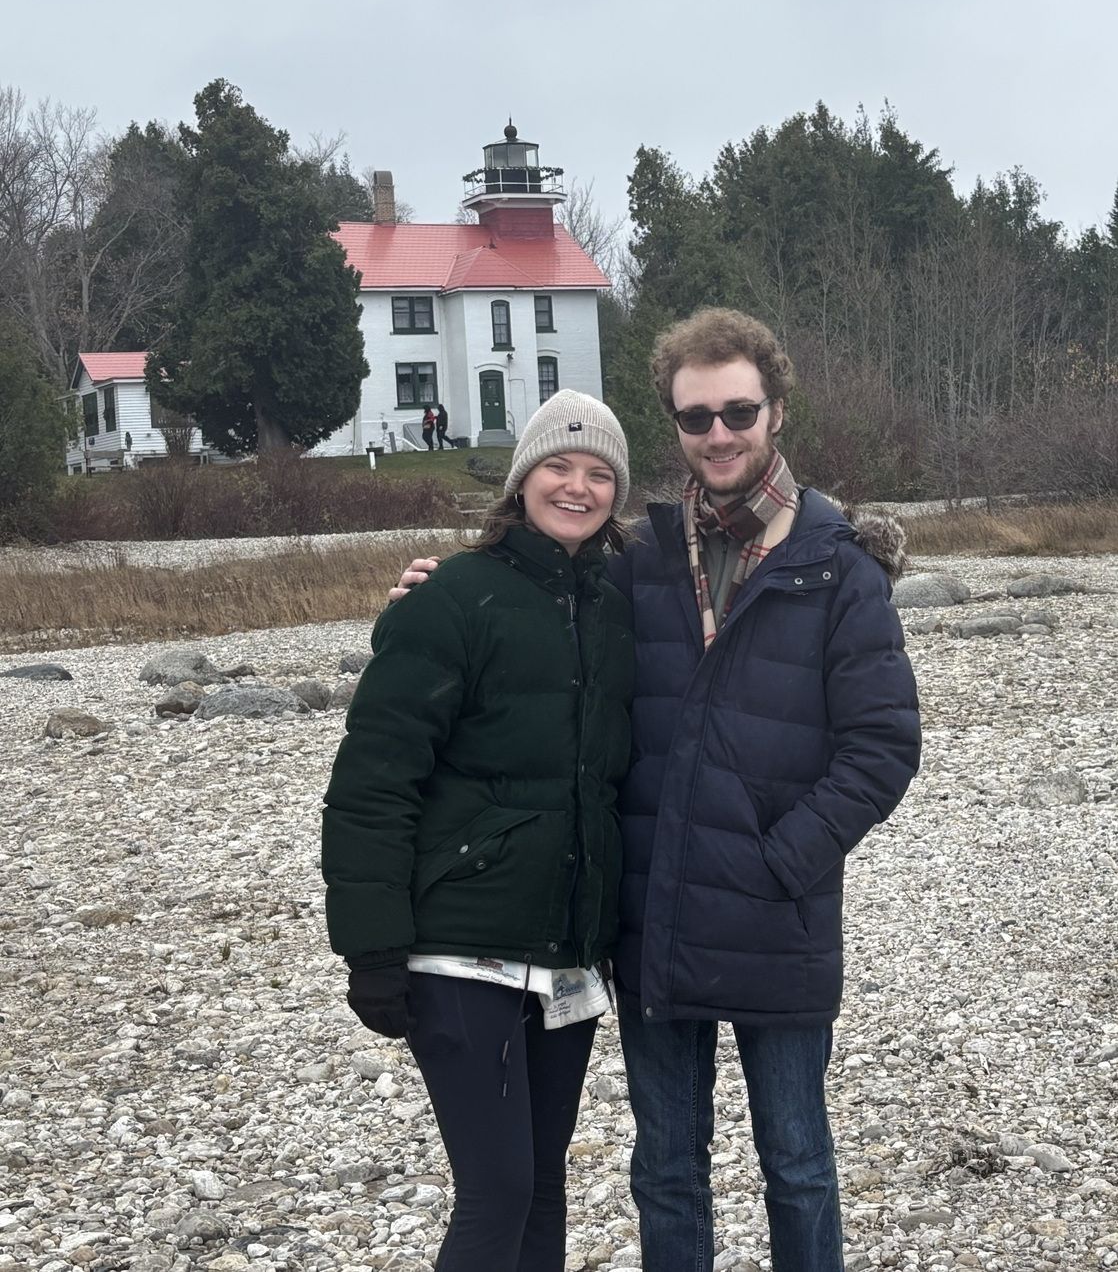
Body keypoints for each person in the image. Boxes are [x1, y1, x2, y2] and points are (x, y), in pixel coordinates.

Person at [389, 309, 921, 1272]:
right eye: (695, 417)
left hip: (780, 919)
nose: (718, 433)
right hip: (655, 919)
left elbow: (882, 747)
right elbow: (530, 591)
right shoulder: (638, 558)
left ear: (777, 412)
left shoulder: (839, 569)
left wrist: (784, 857)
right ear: (675, 425)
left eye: (738, 411)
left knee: (797, 1162)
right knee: (667, 1165)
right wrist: (441, 586)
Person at [322, 389, 634, 1272]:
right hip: (460, 951)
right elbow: (374, 784)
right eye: (559, 466)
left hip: (568, 955)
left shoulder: (617, 606)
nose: (577, 486)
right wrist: (372, 949)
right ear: (521, 477)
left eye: (599, 472)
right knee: (495, 1193)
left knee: (540, 1189)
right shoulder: (454, 596)